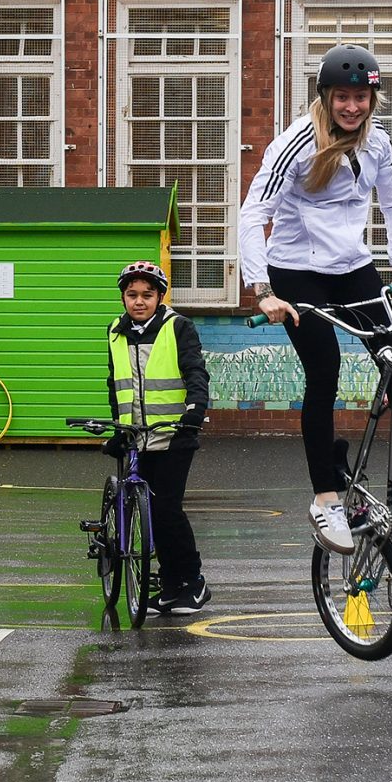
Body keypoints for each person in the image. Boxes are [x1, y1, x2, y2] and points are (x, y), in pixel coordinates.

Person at [241, 43, 392, 553]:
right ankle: (325, 497)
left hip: (353, 268)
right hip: (296, 272)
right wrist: (263, 290)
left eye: (361, 97)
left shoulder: (378, 143)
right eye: (342, 97)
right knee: (326, 371)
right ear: (325, 96)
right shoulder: (294, 145)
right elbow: (254, 215)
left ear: (372, 98)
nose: (352, 107)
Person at [106, 259, 213, 614]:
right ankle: (169, 586)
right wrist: (118, 427)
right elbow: (115, 385)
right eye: (132, 294)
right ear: (123, 297)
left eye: (147, 295)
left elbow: (196, 372)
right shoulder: (115, 333)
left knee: (168, 509)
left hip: (174, 436)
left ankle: (194, 583)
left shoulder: (177, 327)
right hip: (137, 439)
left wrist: (195, 412)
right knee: (150, 513)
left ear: (159, 297)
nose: (139, 301)